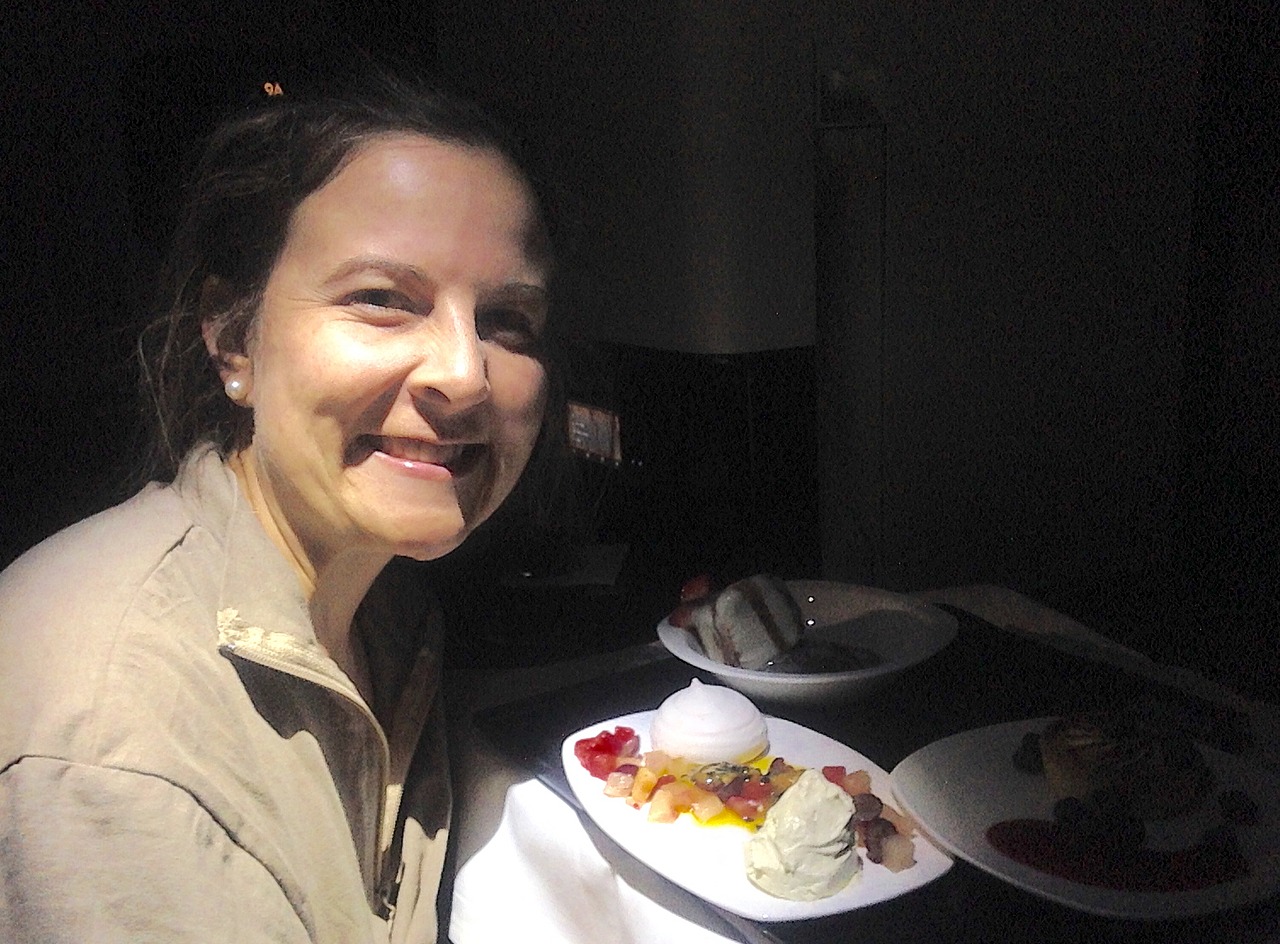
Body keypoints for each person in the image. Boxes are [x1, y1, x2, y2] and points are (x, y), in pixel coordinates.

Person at [0, 72, 563, 942]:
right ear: (233, 339)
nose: (465, 375)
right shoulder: (115, 742)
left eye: (508, 320)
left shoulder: (385, 605)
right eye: (381, 300)